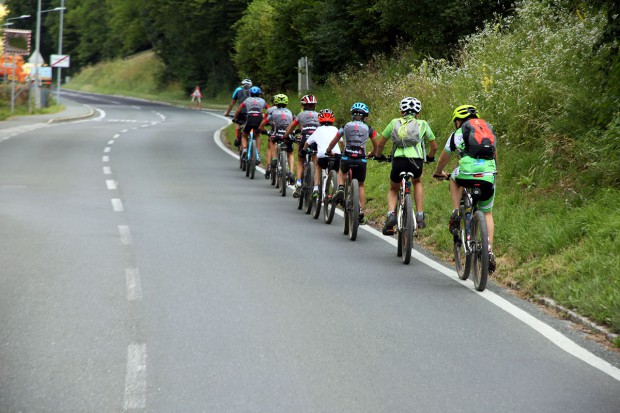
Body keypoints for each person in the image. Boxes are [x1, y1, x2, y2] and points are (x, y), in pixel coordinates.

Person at [432, 104, 498, 274]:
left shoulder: (457, 134)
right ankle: (489, 250)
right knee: (487, 213)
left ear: (459, 120)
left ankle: (456, 211)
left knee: (454, 179)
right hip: (488, 174)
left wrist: (438, 172)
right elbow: (494, 154)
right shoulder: (486, 130)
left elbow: (443, 158)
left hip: (466, 172)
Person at [373, 97, 438, 234]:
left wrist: (378, 155)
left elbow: (380, 144)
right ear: (418, 113)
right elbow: (434, 147)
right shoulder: (423, 124)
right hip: (416, 162)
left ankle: (391, 214)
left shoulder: (394, 122)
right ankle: (420, 214)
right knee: (417, 181)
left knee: (393, 188)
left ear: (402, 112)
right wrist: (430, 157)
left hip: (398, 161)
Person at [325, 102, 379, 224]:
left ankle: (340, 187)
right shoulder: (369, 129)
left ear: (352, 115)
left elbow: (336, 139)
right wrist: (373, 153)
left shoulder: (345, 126)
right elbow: (376, 143)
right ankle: (360, 211)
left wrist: (329, 150)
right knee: (360, 184)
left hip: (347, 157)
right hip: (361, 159)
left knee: (341, 172)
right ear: (365, 117)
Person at [284, 95, 320, 198]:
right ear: (314, 106)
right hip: (315, 138)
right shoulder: (319, 115)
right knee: (315, 161)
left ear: (303, 106)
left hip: (305, 138)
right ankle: (315, 185)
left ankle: (299, 182)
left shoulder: (300, 115)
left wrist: (286, 136)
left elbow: (291, 127)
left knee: (300, 160)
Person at [303, 109, 341, 199]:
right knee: (338, 170)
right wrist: (342, 151)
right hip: (335, 154)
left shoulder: (318, 130)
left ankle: (316, 188)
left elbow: (307, 143)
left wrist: (304, 149)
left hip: (323, 155)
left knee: (318, 166)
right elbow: (342, 142)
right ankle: (338, 187)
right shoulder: (336, 129)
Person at [259, 94, 295, 181]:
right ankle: (291, 172)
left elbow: (263, 124)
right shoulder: (290, 112)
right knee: (290, 153)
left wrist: (263, 130)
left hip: (277, 135)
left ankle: (274, 158)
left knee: (272, 140)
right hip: (288, 135)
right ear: (286, 103)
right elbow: (296, 123)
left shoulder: (273, 113)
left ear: (275, 103)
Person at [233, 86, 269, 164]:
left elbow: (239, 109)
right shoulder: (262, 100)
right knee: (257, 135)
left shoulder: (247, 100)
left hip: (250, 118)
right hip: (259, 118)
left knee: (244, 135)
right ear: (259, 94)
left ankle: (245, 149)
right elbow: (269, 110)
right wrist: (266, 119)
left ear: (250, 93)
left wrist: (235, 117)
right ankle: (258, 155)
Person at [224, 78, 252, 147]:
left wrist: (227, 113)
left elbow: (232, 104)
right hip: (251, 112)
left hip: (241, 111)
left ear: (242, 84)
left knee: (237, 122)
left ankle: (237, 139)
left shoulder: (238, 89)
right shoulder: (253, 90)